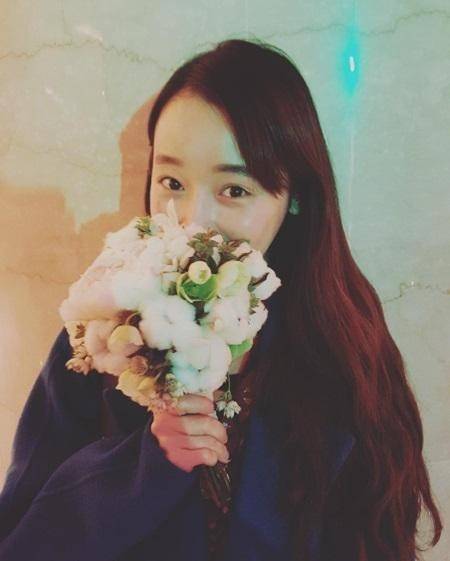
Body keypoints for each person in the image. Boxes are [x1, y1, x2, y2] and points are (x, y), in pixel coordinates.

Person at [0, 38, 442, 561]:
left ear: (295, 197)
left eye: (234, 190)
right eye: (172, 182)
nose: (194, 221)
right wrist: (142, 465)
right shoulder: (99, 338)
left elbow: (380, 533)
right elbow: (22, 539)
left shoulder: (345, 343)